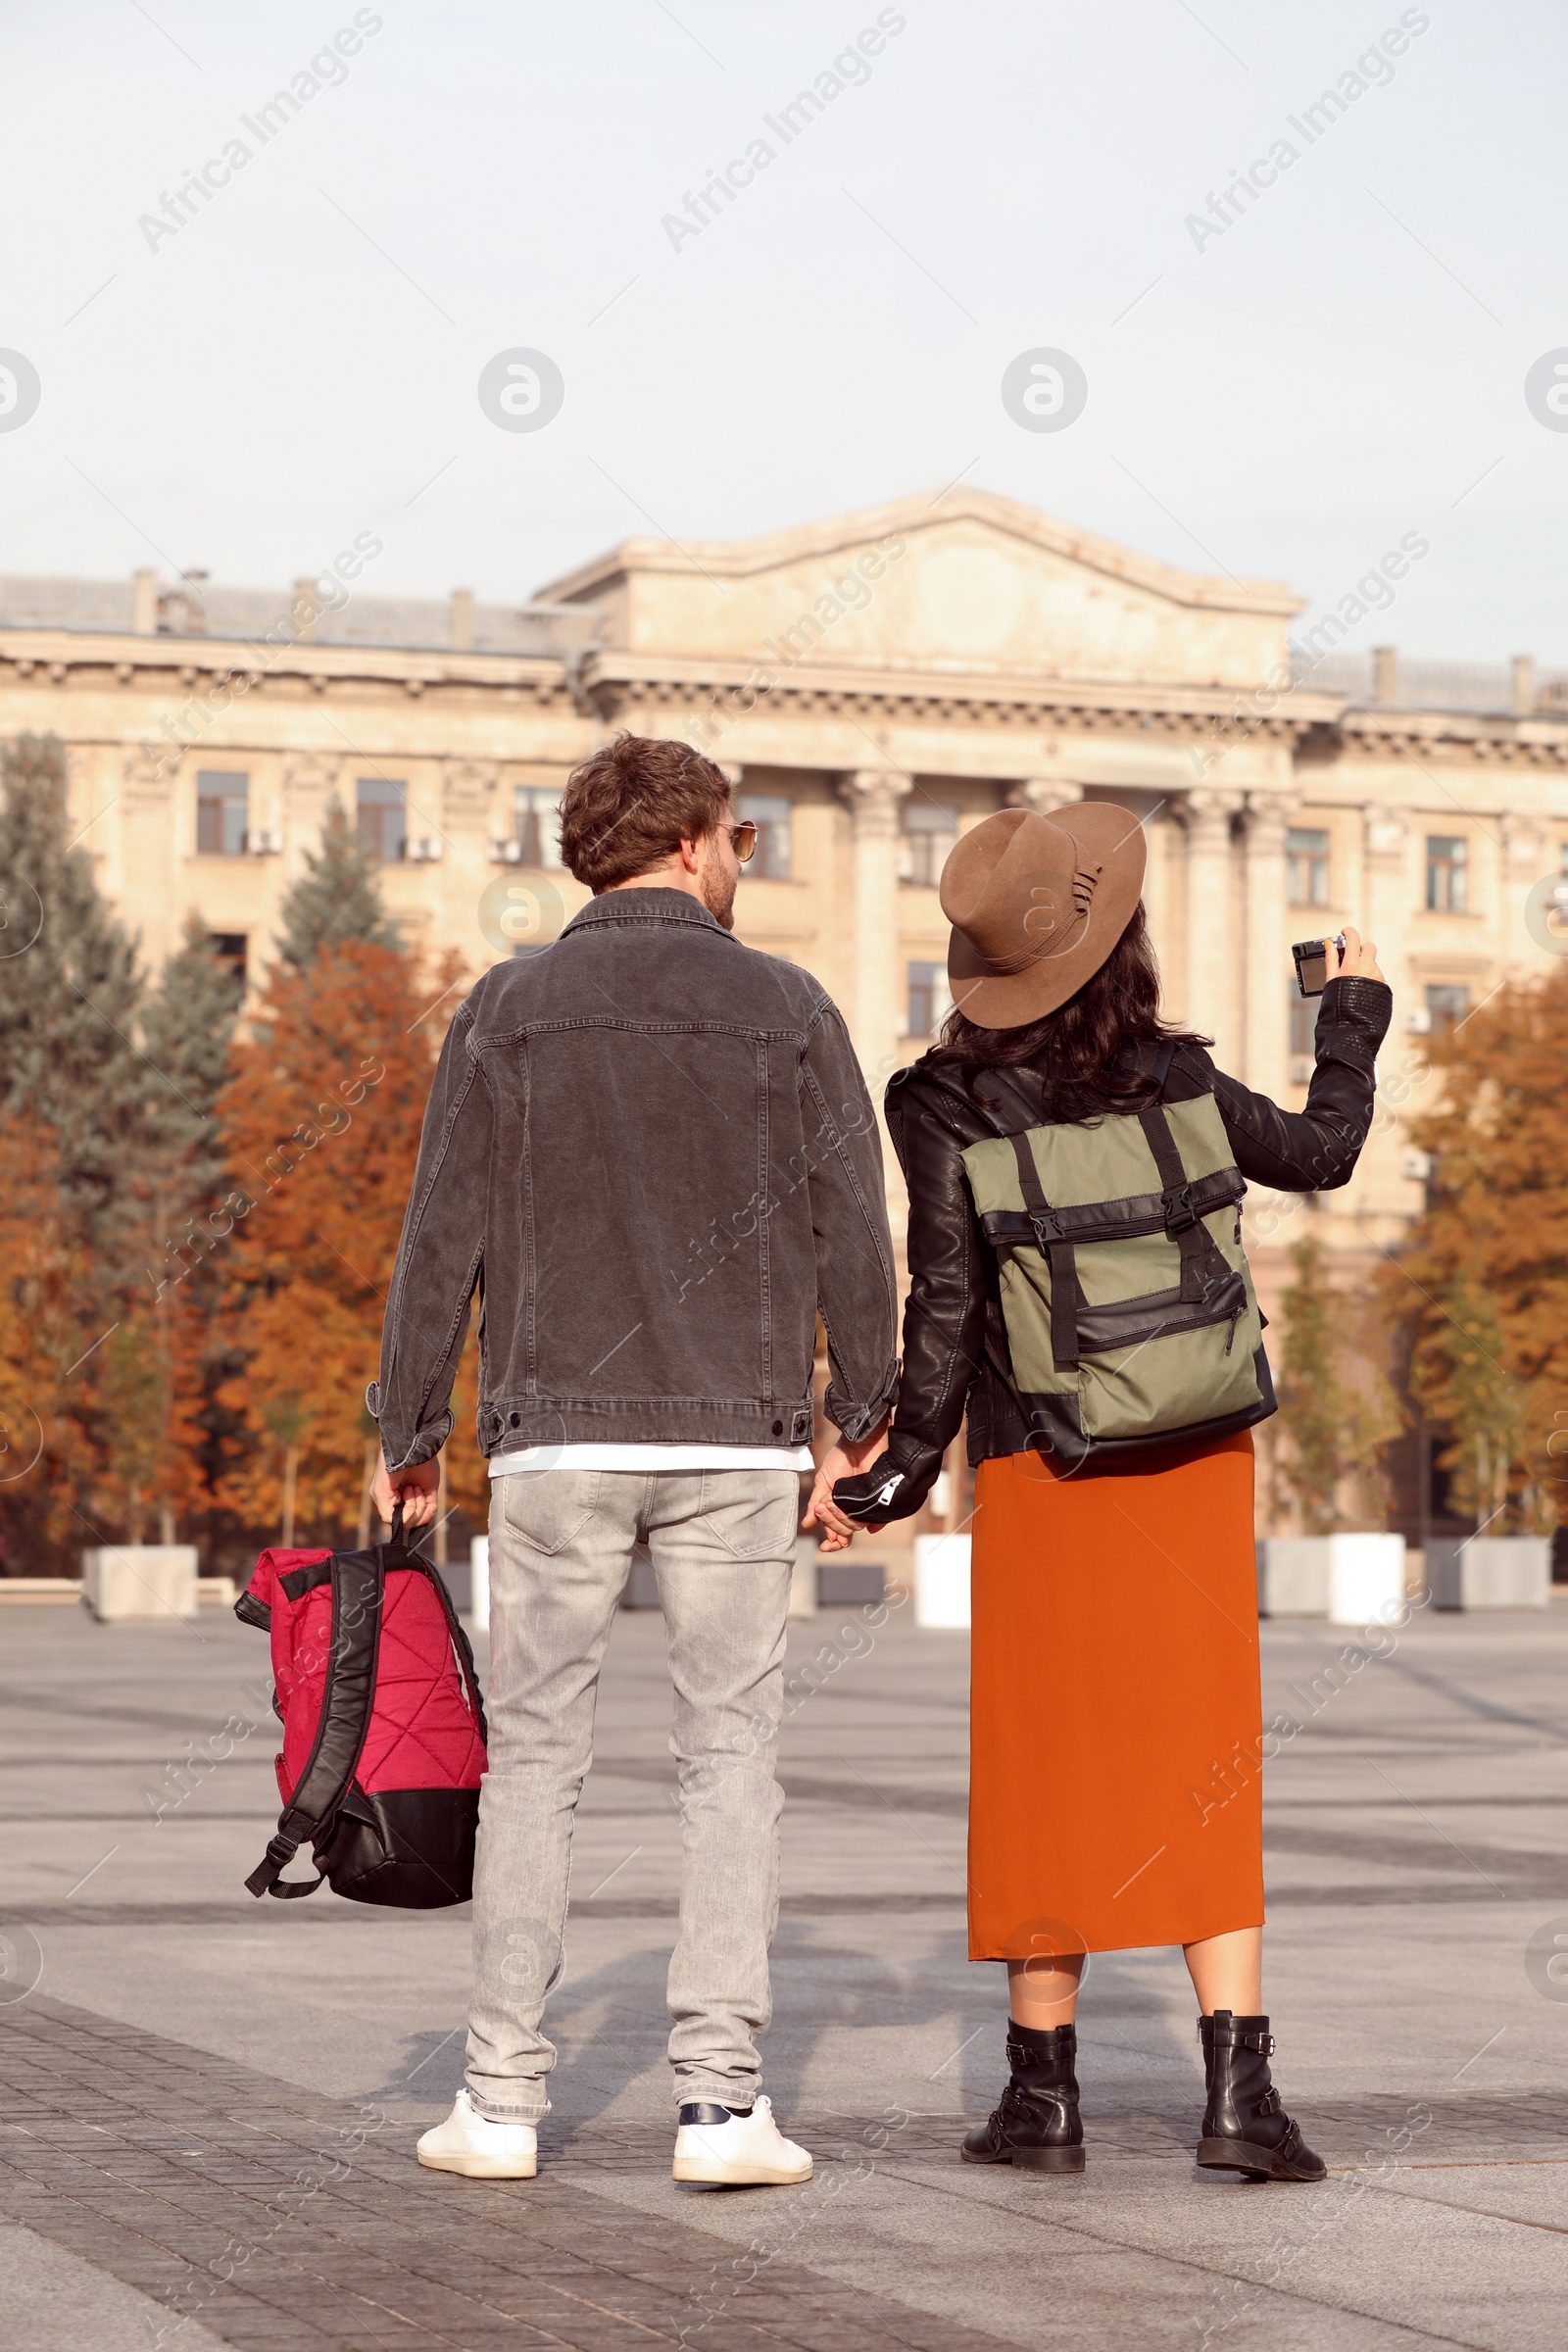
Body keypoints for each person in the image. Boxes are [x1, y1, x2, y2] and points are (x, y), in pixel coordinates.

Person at [811, 801, 1391, 2181]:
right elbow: (1323, 1153)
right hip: (1194, 1459)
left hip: (1046, 1463)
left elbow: (944, 1310)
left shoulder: (940, 1101)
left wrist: (885, 1476)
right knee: (1207, 1772)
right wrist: (1352, 1014)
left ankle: (1043, 2102)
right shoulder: (1179, 1075)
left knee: (1042, 1765)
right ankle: (1242, 2097)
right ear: (1122, 945)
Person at [368, 734, 898, 2185]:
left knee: (536, 1760)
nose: (745, 859)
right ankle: (722, 2109)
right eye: (737, 836)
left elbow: (441, 1234)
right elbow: (855, 1222)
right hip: (736, 1438)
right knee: (730, 1761)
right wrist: (862, 1421)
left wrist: (406, 1432)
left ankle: (500, 2104)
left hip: (556, 1439)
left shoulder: (507, 1007)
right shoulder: (790, 1005)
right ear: (684, 842)